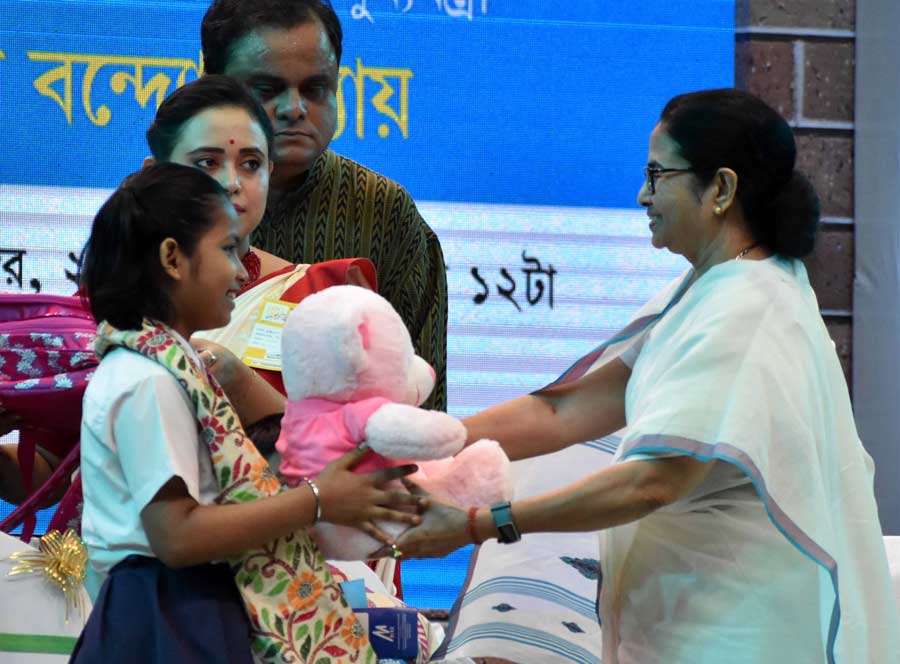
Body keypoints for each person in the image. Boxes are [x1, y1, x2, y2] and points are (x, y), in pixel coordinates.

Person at [392, 89, 900, 663]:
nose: (642, 195)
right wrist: (421, 450)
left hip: (733, 638)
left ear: (722, 190)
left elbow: (651, 482)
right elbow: (563, 411)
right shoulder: (716, 288)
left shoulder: (750, 309)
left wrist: (481, 524)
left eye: (658, 175)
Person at [69, 162, 423, 663]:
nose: (241, 271)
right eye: (227, 249)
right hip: (162, 619)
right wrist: (320, 500)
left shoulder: (169, 367)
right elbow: (178, 536)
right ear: (172, 257)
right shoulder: (146, 379)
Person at [200, 0, 449, 411]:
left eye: (316, 89)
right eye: (266, 89)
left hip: (347, 471)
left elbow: (421, 408)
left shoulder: (384, 212)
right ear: (211, 88)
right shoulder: (165, 201)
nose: (294, 109)